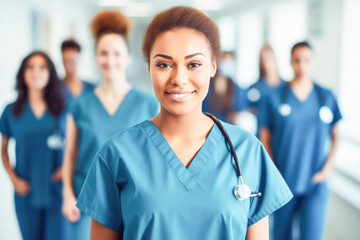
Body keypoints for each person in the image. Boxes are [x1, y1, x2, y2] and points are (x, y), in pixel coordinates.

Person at [76, 6, 293, 240]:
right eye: (164, 64)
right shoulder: (116, 154)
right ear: (149, 67)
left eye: (193, 64)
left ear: (212, 66)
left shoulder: (247, 151)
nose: (179, 79)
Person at [61, 10, 159, 240]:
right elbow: (70, 156)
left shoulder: (148, 104)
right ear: (96, 57)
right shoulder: (79, 106)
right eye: (103, 53)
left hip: (134, 199)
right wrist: (67, 195)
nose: (110, 60)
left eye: (117, 53)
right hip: (86, 201)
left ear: (128, 57)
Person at [258, 41, 342, 240]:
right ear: (290, 62)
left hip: (315, 181)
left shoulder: (326, 96)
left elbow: (336, 136)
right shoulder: (274, 96)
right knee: (281, 235)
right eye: (297, 60)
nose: (302, 66)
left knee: (311, 236)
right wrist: (274, 171)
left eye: (307, 60)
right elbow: (264, 138)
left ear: (313, 62)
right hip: (284, 179)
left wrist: (327, 169)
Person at [0, 51, 67, 240]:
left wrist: (66, 167)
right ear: (23, 73)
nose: (36, 72)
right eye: (30, 67)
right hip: (26, 191)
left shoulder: (62, 109)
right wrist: (13, 179)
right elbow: (3, 148)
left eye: (42, 67)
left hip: (56, 191)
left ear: (50, 74)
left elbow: (76, 143)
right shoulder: (12, 111)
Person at [202, 52, 248, 124]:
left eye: (230, 62)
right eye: (225, 61)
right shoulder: (208, 84)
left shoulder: (235, 87)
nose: (227, 65)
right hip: (207, 124)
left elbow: (239, 110)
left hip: (227, 128)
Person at [247, 44, 285, 120]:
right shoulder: (255, 88)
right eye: (263, 59)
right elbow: (248, 110)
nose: (266, 62)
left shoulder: (286, 87)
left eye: (268, 58)